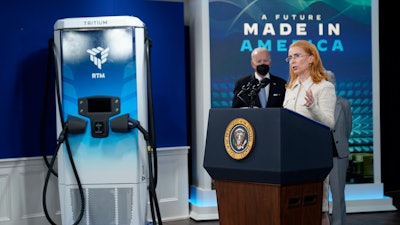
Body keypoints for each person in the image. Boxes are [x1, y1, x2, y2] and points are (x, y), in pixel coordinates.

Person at [282, 40, 336, 225]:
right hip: (290, 158)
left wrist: (313, 107)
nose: (292, 61)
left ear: (311, 59)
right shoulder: (289, 88)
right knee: (292, 208)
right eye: (289, 57)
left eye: (297, 56)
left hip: (314, 158)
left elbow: (329, 124)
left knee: (318, 211)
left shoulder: (324, 87)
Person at [326, 70, 353, 225]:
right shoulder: (314, 105)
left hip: (338, 155)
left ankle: (338, 222)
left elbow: (347, 129)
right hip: (320, 157)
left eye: (329, 82)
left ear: (334, 84)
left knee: (338, 196)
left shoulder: (344, 104)